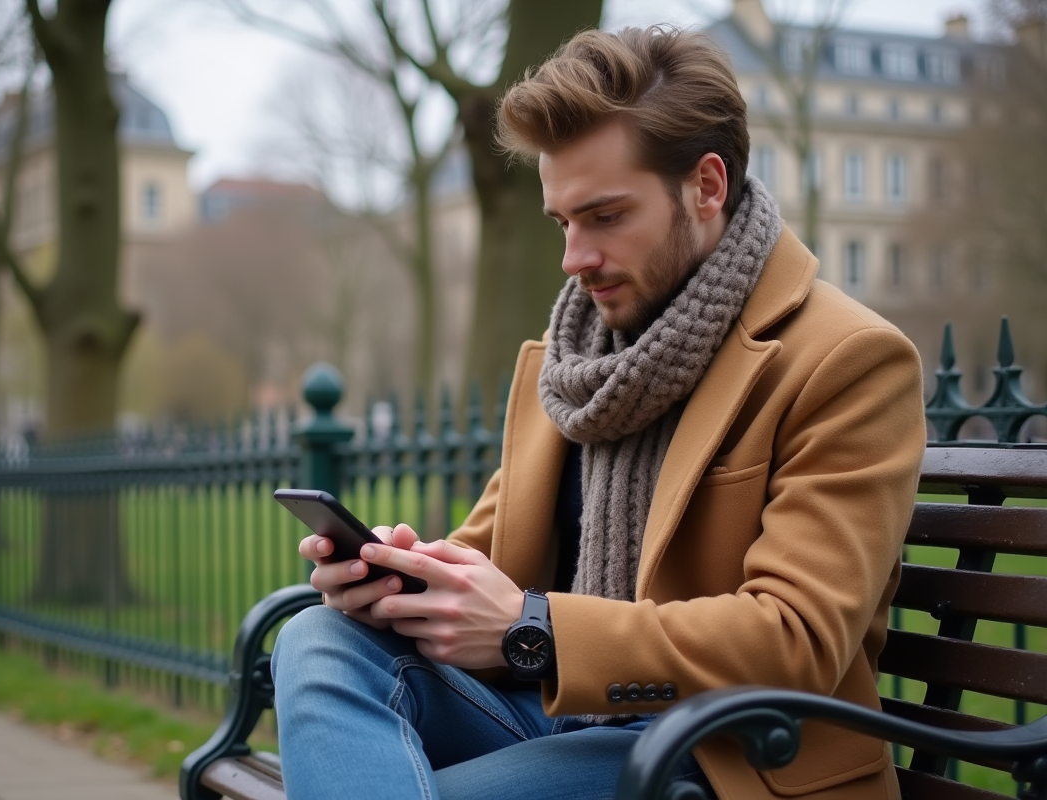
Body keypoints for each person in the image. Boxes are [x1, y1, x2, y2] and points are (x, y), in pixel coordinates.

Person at [271, 25, 924, 800]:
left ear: (706, 186)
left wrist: (535, 629)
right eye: (563, 222)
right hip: (562, 714)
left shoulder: (846, 359)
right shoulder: (575, 362)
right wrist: (399, 582)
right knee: (321, 636)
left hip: (730, 754)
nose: (573, 258)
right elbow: (488, 565)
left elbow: (797, 639)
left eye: (605, 216)